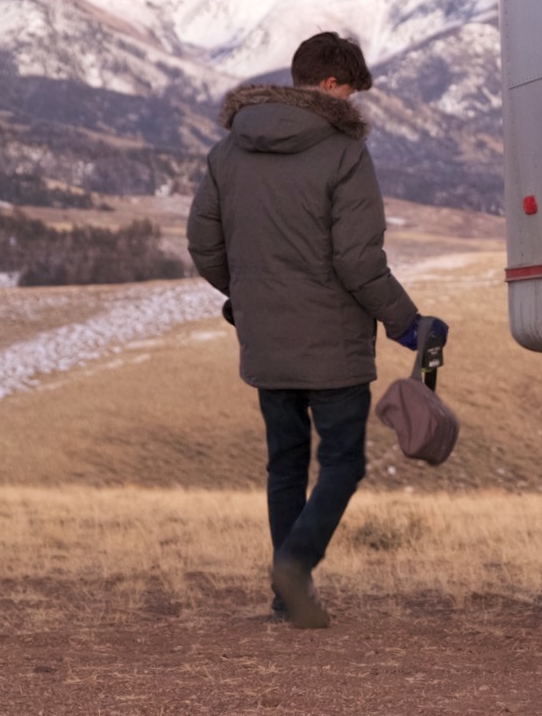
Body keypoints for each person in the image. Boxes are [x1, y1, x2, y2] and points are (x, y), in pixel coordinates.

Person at [186, 31, 442, 629]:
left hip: (266, 341)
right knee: (343, 463)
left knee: (284, 465)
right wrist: (408, 324)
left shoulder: (228, 152)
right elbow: (358, 261)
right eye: (351, 90)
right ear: (330, 83)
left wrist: (246, 296)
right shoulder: (345, 152)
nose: (354, 103)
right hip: (333, 347)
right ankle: (294, 568)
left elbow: (204, 245)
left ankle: (286, 601)